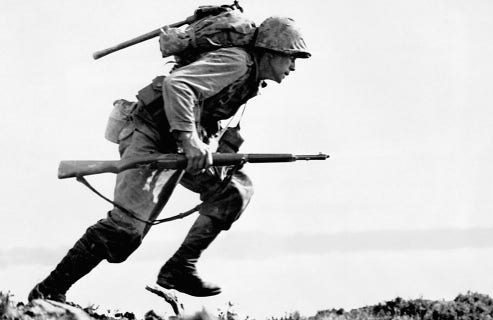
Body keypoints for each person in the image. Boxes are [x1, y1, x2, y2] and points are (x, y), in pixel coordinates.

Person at [28, 15, 311, 301]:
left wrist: (207, 146)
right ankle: (48, 292)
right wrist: (189, 140)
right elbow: (178, 86)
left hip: (177, 142)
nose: (293, 66)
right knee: (125, 231)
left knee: (234, 189)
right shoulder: (237, 62)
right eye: (290, 58)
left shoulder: (250, 79)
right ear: (271, 52)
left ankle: (179, 268)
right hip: (149, 132)